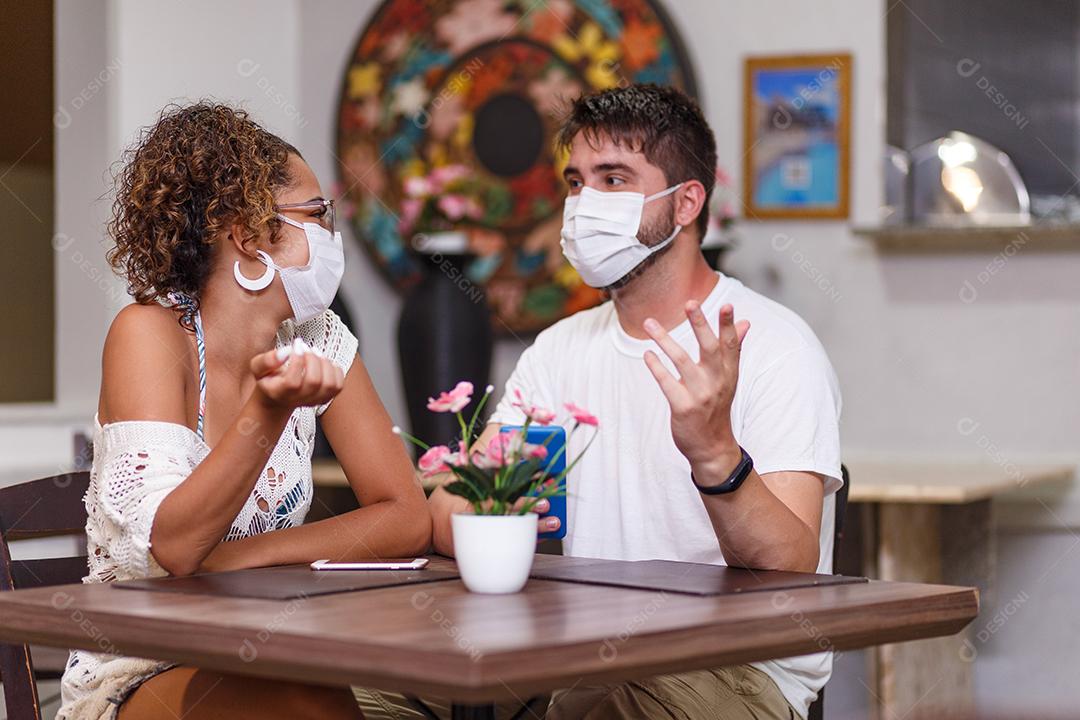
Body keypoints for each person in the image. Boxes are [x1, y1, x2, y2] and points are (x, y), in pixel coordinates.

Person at [426, 84, 843, 720]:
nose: (584, 203)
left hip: (736, 669)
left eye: (613, 179)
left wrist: (716, 454)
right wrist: (493, 508)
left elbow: (789, 567)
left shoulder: (774, 346)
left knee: (599, 704)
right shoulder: (557, 351)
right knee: (348, 691)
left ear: (685, 204)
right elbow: (447, 512)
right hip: (577, 649)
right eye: (575, 182)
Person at [58, 102, 431, 720]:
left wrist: (234, 560)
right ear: (248, 234)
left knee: (352, 698)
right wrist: (269, 409)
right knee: (313, 706)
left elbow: (404, 515)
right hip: (146, 657)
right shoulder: (149, 334)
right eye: (317, 216)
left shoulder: (318, 336)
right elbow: (174, 550)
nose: (331, 236)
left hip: (272, 643)